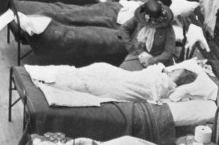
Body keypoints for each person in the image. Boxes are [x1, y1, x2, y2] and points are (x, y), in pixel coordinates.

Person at [34, 62, 197, 103]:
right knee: (85, 73)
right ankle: (47, 75)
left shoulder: (167, 85)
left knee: (85, 83)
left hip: (125, 85)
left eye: (176, 72)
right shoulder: (160, 73)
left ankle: (47, 82)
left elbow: (155, 93)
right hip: (123, 76)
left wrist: (165, 77)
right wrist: (161, 70)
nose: (172, 70)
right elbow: (147, 72)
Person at [118, 0, 176, 71]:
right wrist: (131, 48)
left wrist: (152, 61)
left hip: (157, 60)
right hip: (138, 53)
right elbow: (124, 28)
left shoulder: (167, 28)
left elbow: (168, 52)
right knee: (122, 70)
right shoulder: (141, 18)